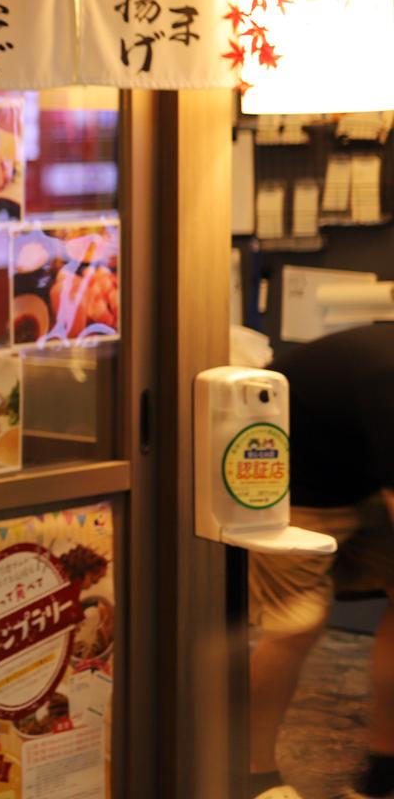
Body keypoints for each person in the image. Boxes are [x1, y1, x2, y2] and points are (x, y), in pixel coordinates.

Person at [248, 323, 394, 799]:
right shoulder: (388, 380)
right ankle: (251, 772)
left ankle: (384, 767)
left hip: (361, 471)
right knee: (296, 621)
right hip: (282, 472)